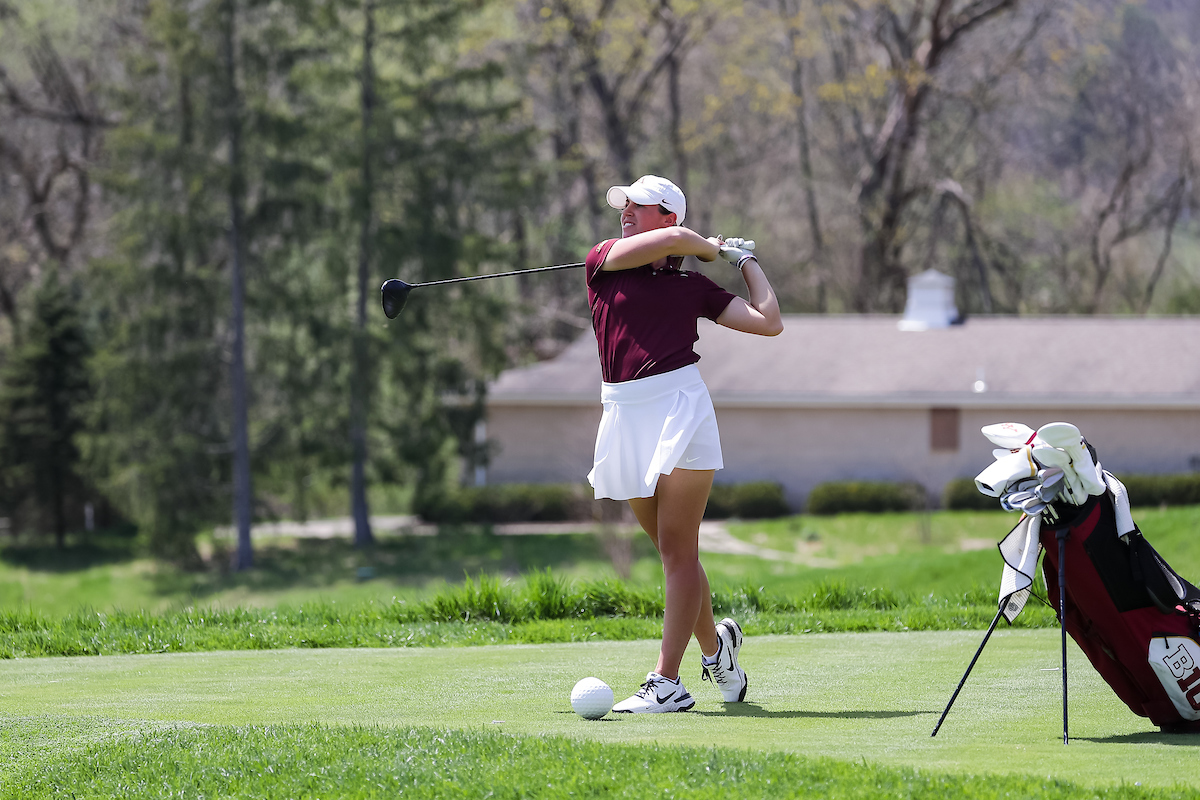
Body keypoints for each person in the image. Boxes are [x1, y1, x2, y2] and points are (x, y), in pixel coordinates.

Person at [584, 175, 783, 713]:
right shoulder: (602, 260)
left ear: (669, 215)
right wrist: (708, 246)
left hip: (680, 410)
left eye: (639, 207)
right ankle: (718, 650)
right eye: (624, 206)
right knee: (676, 555)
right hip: (623, 412)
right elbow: (675, 244)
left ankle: (666, 681)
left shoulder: (692, 288)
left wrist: (744, 262)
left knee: (678, 550)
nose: (625, 213)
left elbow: (769, 323)